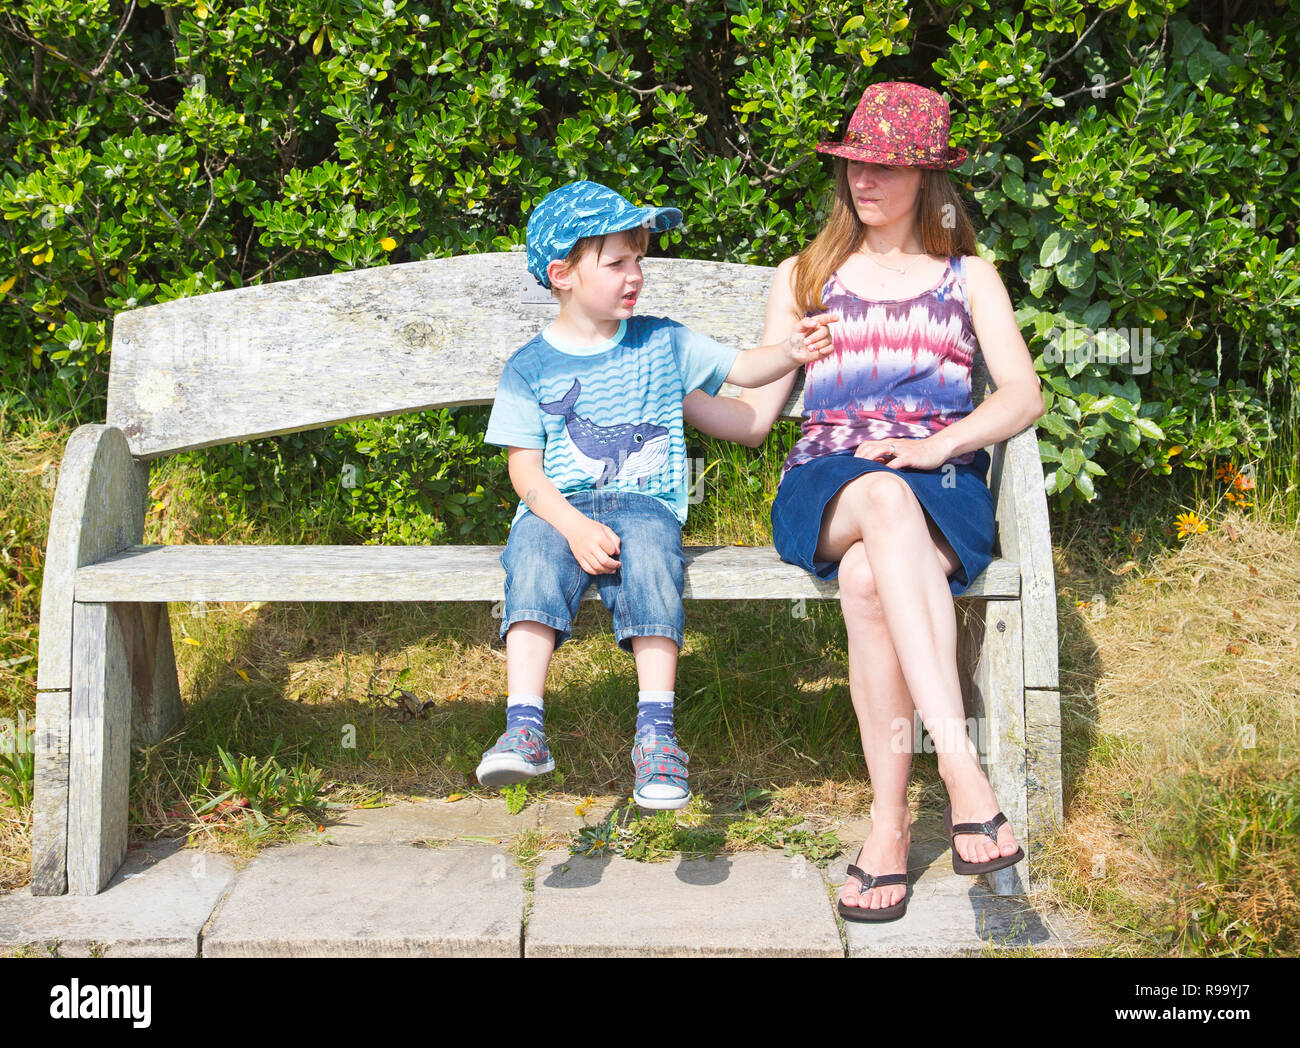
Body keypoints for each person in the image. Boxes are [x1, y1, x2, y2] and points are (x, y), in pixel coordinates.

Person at [682, 82, 1045, 919]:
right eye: (853, 165)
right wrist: (665, 385)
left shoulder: (969, 276)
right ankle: (963, 775)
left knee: (867, 583)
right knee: (879, 496)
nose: (864, 182)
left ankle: (886, 829)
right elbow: (751, 420)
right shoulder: (806, 275)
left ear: (928, 180)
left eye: (884, 167)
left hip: (943, 480)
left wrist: (935, 446)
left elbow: (1021, 398)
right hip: (829, 484)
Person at [477, 180, 837, 810]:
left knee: (652, 561)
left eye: (638, 260)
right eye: (616, 262)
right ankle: (524, 725)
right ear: (562, 274)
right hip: (556, 507)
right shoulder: (528, 368)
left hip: (646, 503)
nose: (634, 274)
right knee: (530, 560)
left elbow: (744, 372)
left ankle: (657, 735)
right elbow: (526, 473)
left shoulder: (663, 341)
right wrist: (571, 526)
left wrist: (791, 349)